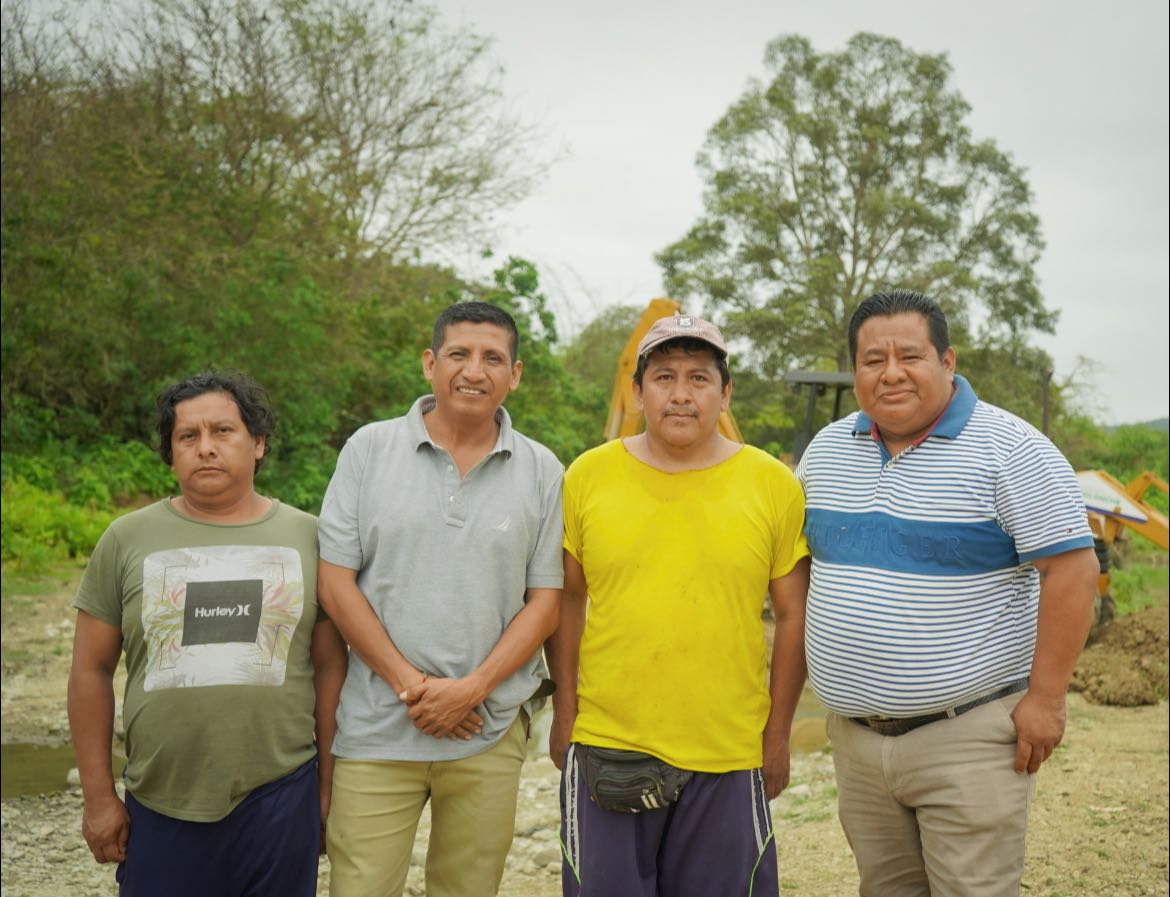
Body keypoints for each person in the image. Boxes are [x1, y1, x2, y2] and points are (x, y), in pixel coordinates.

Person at [797, 289, 1100, 896]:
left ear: (947, 361)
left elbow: (1073, 571)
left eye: (909, 356)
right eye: (873, 360)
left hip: (967, 737)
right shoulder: (826, 452)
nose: (891, 373)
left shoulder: (1012, 451)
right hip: (856, 739)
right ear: (855, 370)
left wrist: (1047, 699)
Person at [546, 313, 811, 897]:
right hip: (611, 745)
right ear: (637, 392)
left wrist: (778, 734)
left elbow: (794, 614)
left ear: (726, 393)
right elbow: (566, 599)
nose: (681, 394)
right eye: (664, 377)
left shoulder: (772, 484)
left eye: (699, 378)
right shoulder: (588, 476)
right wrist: (565, 711)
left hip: (729, 750)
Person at [67, 370, 347, 897]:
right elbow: (90, 670)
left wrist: (330, 788)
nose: (206, 448)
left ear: (258, 443)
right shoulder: (126, 539)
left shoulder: (310, 538)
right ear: (171, 453)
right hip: (160, 799)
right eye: (187, 436)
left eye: (223, 431)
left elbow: (332, 668)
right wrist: (98, 797)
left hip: (281, 794)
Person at [317, 300, 564, 897]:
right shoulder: (368, 449)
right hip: (377, 727)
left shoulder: (542, 469)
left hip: (487, 728)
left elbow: (546, 602)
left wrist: (471, 690)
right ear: (430, 364)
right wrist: (412, 686)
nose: (474, 371)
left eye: (492, 358)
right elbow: (335, 582)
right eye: (459, 354)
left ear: (515, 374)